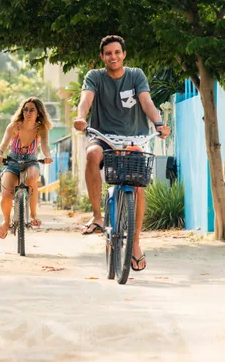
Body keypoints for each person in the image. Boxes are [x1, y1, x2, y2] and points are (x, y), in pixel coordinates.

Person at [72, 35, 170, 272]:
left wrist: (158, 123)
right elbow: (85, 99)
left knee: (138, 187)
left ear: (124, 54)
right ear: (102, 56)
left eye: (117, 52)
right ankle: (97, 216)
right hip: (104, 136)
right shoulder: (95, 76)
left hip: (134, 138)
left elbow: (146, 102)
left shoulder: (136, 75)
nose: (113, 56)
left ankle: (135, 243)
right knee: (92, 154)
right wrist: (81, 118)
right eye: (108, 53)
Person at [0, 97, 54, 239]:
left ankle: (33, 215)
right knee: (6, 195)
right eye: (25, 110)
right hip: (12, 161)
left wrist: (47, 156)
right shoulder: (14, 126)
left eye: (32, 110)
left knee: (32, 179)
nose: (28, 113)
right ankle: (6, 221)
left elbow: (45, 145)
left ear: (38, 113)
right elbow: (4, 143)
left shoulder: (41, 128)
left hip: (31, 161)